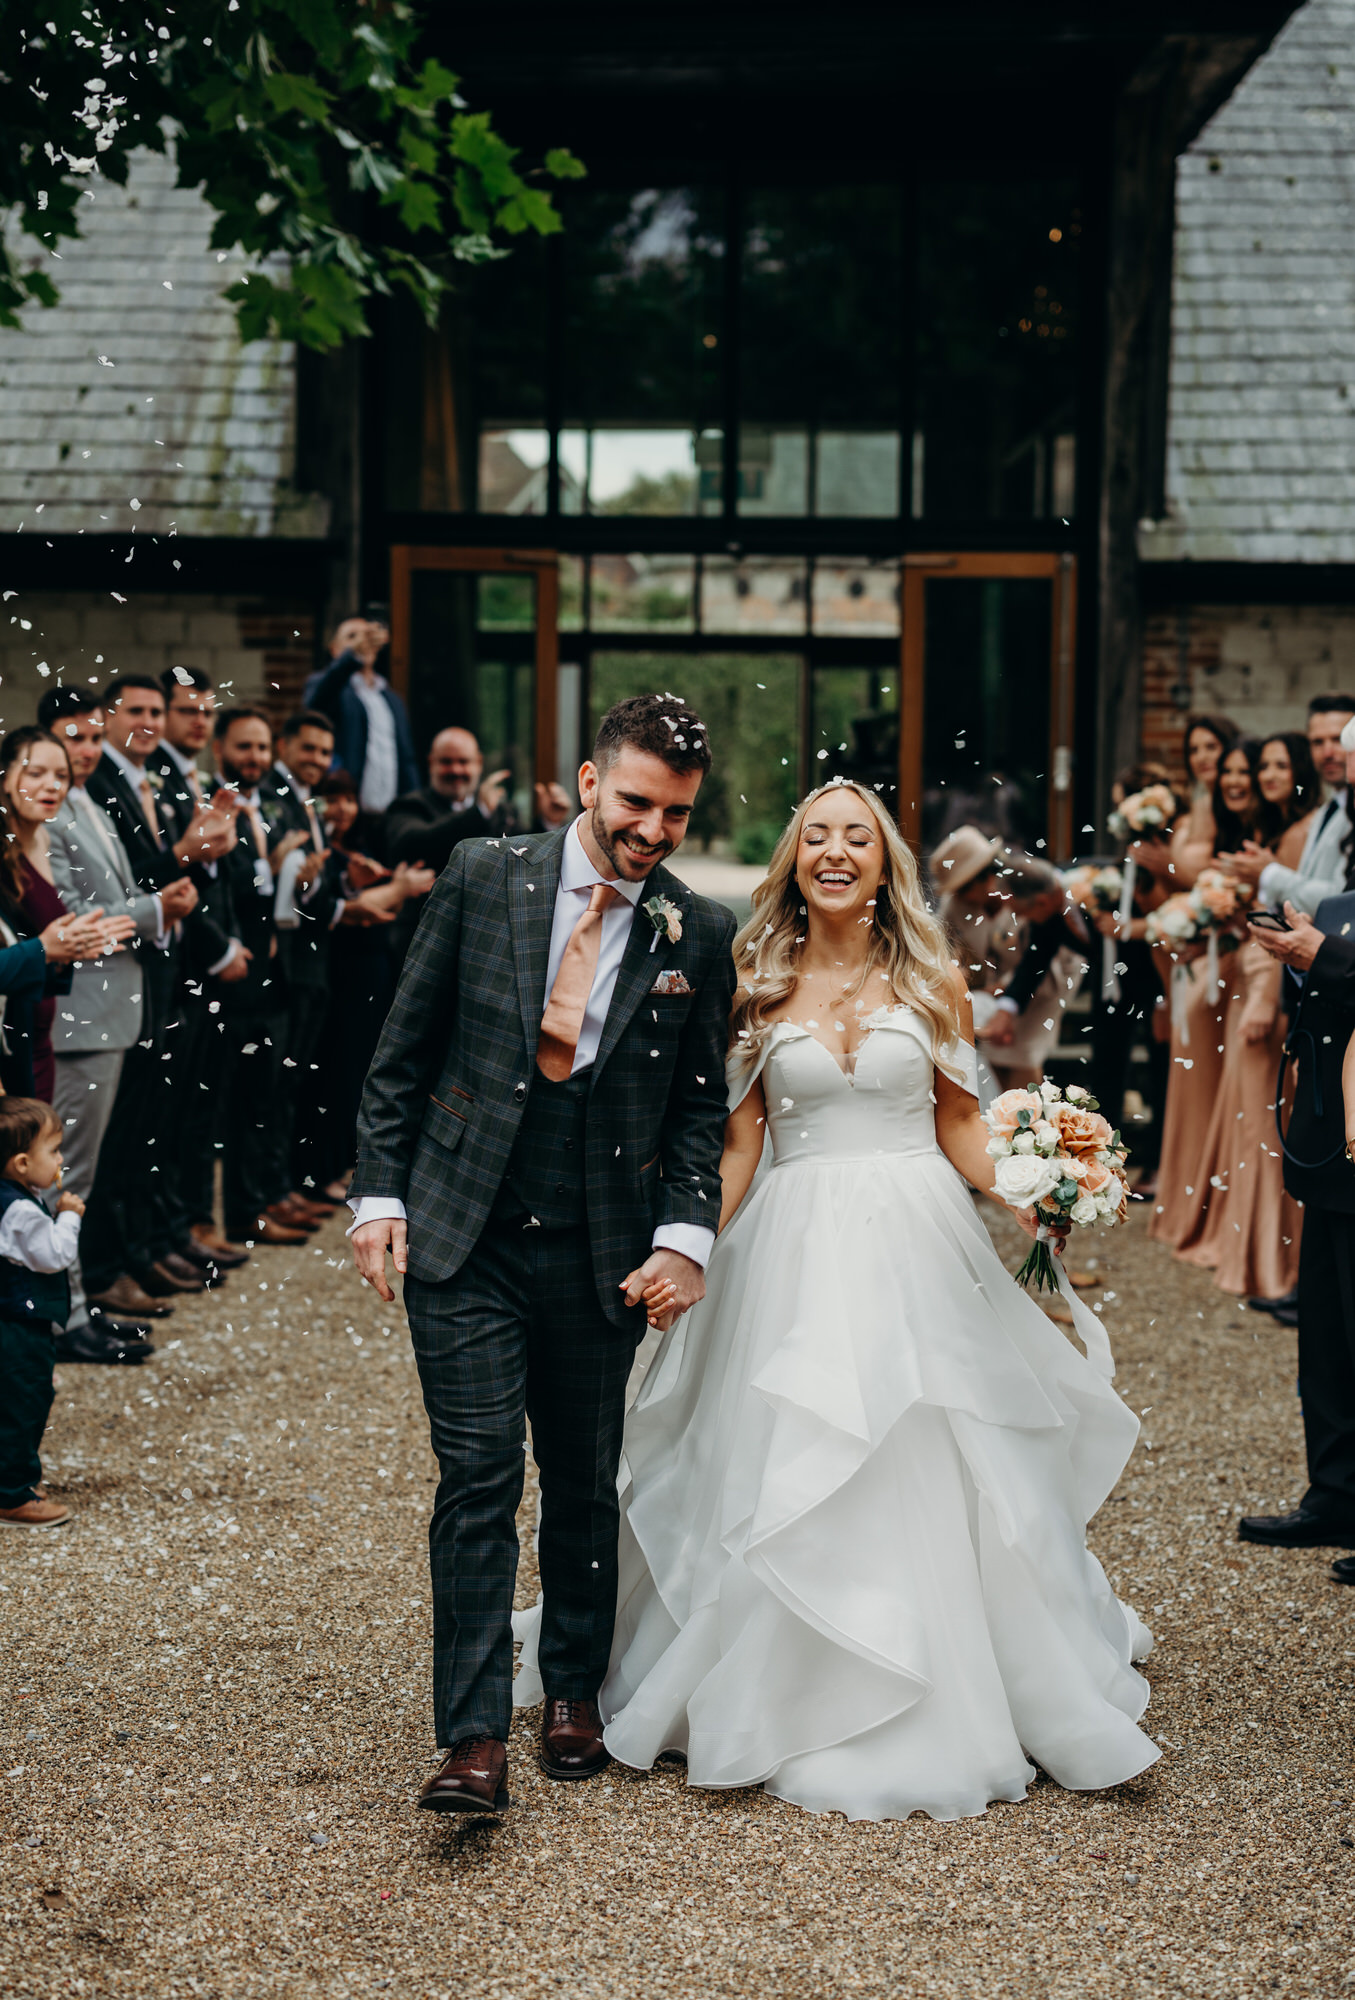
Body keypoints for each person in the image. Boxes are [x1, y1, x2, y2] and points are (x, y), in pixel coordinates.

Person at [528, 779, 1158, 1822]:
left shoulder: (932, 979)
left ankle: (953, 1673)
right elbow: (740, 1143)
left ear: (882, 861)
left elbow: (960, 1125)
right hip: (792, 1243)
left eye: (853, 836)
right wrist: (682, 1250)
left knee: (931, 1446)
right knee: (785, 1456)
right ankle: (788, 1678)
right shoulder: (754, 981)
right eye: (813, 835)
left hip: (918, 1237)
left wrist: (1035, 1189)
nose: (832, 850)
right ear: (793, 860)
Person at [349, 693, 736, 1815]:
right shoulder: (482, 874)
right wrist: (379, 1196)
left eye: (673, 813)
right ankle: (471, 1736)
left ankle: (572, 1685)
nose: (651, 831)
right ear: (585, 779)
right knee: (477, 1476)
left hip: (599, 1252)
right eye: (634, 803)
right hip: (463, 1235)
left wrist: (682, 1236)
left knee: (579, 1477)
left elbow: (698, 1111)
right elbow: (399, 1057)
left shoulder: (693, 932)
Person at [79, 678, 216, 1311]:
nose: (149, 721)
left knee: (152, 1124)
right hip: (113, 976)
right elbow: (127, 883)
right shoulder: (99, 785)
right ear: (109, 717)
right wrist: (181, 856)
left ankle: (139, 1249)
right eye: (135, 710)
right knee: (121, 1133)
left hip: (159, 965)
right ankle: (110, 1265)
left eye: (154, 711)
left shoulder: (147, 780)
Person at [43, 692, 168, 1360]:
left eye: (95, 737)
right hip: (79, 1015)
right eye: (75, 737)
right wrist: (152, 911)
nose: (89, 749)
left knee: (80, 1175)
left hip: (112, 1007)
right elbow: (78, 918)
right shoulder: (51, 813)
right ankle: (65, 1318)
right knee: (66, 1175)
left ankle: (77, 1302)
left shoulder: (89, 802)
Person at [1241, 854, 1355, 1581]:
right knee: (1326, 1334)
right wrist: (1301, 954)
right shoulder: (1342, 901)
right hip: (1331, 1149)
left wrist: (1331, 956)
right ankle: (1336, 1494)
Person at [1173, 733, 1317, 1305]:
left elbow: (1294, 921)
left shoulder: (1301, 834)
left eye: (1279, 765)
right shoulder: (1266, 832)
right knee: (1246, 1117)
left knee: (1263, 1122)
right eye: (1263, 766)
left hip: (1272, 982)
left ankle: (1270, 1261)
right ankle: (1248, 1248)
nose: (1263, 776)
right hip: (1249, 973)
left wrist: (1266, 992)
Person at [150, 667, 252, 1275]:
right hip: (179, 960)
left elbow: (218, 878)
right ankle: (168, 1231)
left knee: (196, 1106)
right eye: (186, 710)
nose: (198, 721)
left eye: (206, 711)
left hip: (210, 959)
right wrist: (217, 948)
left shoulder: (203, 781)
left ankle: (186, 1222)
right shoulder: (157, 779)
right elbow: (165, 871)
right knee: (169, 1112)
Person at [1149, 741, 1256, 1251]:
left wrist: (1167, 864)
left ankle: (1214, 1209)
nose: (1209, 762)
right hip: (1203, 952)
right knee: (1191, 1076)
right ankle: (1193, 1199)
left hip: (1235, 961)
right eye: (1196, 749)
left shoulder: (1238, 830)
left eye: (1217, 751)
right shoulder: (1199, 813)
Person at [210, 707, 305, 1248]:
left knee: (261, 1096)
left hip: (269, 972)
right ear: (221, 748)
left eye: (263, 749)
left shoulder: (264, 806)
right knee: (229, 1101)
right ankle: (228, 1214)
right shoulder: (211, 805)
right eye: (244, 747)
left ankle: (255, 1205)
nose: (255, 759)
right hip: (229, 975)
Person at [0, 1098, 88, 1527]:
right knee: (25, 1403)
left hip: (9, 1318)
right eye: (52, 1151)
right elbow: (55, 1255)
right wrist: (68, 1217)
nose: (60, 1159)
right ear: (20, 1163)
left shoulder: (12, 1198)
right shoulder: (19, 1210)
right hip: (21, 1324)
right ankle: (13, 1494)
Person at [1085, 763, 1175, 1185]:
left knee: (1160, 1068)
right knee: (1108, 1061)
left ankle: (1159, 1160)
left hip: (1154, 971)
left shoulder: (1158, 852)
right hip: (1115, 973)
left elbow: (1164, 912)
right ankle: (1101, 1157)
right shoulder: (1128, 854)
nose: (1117, 814)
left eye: (1121, 804)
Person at [1217, 693, 1353, 913]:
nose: (1328, 752)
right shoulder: (1328, 810)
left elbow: (1344, 899)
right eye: (1318, 742)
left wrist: (1270, 873)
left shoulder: (1318, 819)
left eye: (1338, 739)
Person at [983, 857, 1090, 1096]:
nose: (1022, 920)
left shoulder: (1096, 890)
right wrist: (1006, 1009)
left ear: (1041, 903)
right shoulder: (1047, 911)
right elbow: (1033, 963)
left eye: (1022, 913)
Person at [307, 615, 418, 816]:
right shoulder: (328, 686)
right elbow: (315, 704)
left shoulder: (392, 698)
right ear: (334, 649)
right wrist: (352, 657)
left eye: (367, 636)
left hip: (391, 815)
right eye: (352, 637)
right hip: (346, 812)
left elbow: (406, 758)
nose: (362, 642)